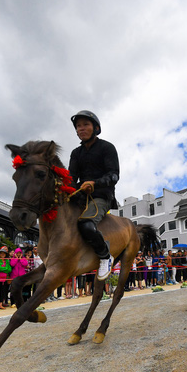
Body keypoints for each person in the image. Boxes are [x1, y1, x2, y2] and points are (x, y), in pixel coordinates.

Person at [68, 110, 120, 280]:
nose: (81, 129)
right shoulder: (76, 153)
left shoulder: (107, 147)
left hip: (101, 196)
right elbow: (71, 179)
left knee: (86, 224)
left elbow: (114, 175)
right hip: (80, 195)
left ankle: (105, 256)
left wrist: (94, 183)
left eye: (85, 125)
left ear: (96, 128)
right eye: (78, 126)